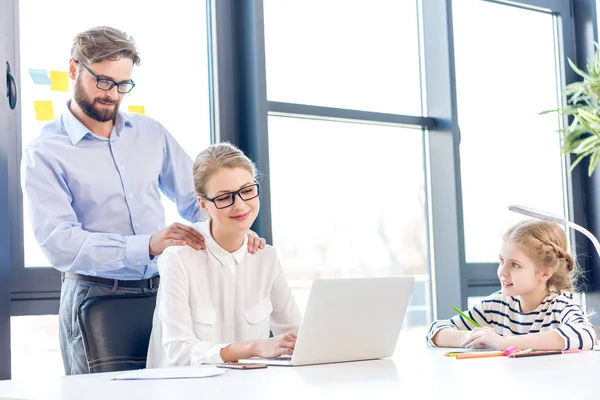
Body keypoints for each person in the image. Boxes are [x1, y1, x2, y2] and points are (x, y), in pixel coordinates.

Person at [21, 26, 265, 375]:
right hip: (95, 297)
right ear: (74, 70)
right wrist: (147, 245)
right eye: (104, 82)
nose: (113, 94)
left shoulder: (151, 133)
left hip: (164, 291)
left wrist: (234, 232)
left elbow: (197, 200)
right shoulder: (45, 151)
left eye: (123, 85)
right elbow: (60, 243)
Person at [147, 143, 302, 367]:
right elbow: (179, 353)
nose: (240, 205)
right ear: (203, 204)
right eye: (224, 197)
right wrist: (253, 347)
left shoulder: (265, 256)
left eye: (247, 191)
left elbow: (295, 333)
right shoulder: (178, 258)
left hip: (249, 387)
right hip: (186, 389)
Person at [426, 219, 596, 351]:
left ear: (544, 273)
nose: (502, 272)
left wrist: (504, 342)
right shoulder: (496, 305)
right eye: (501, 261)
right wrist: (470, 338)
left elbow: (585, 335)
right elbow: (435, 331)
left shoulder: (560, 305)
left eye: (515, 265)